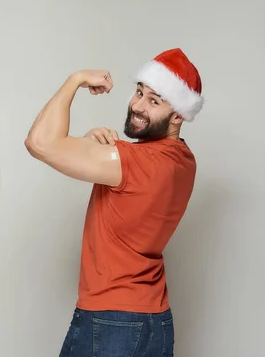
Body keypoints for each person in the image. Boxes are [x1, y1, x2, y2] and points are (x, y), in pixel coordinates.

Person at [24, 48, 204, 357]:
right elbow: (134, 176)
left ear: (178, 115)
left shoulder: (133, 162)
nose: (137, 105)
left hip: (112, 323)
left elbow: (39, 142)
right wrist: (91, 145)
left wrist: (76, 80)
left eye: (154, 100)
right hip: (155, 322)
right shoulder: (184, 160)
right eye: (138, 92)